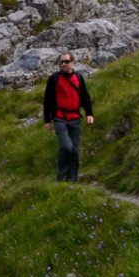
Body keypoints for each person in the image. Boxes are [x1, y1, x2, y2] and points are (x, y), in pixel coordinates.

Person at [43, 52, 94, 182]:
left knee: (75, 150)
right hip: (59, 117)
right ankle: (61, 175)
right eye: (62, 62)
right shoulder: (54, 79)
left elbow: (85, 97)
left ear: (72, 62)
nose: (64, 64)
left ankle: (72, 179)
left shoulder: (79, 78)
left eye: (66, 61)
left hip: (75, 118)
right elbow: (47, 100)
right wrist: (47, 120)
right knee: (66, 146)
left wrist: (89, 114)